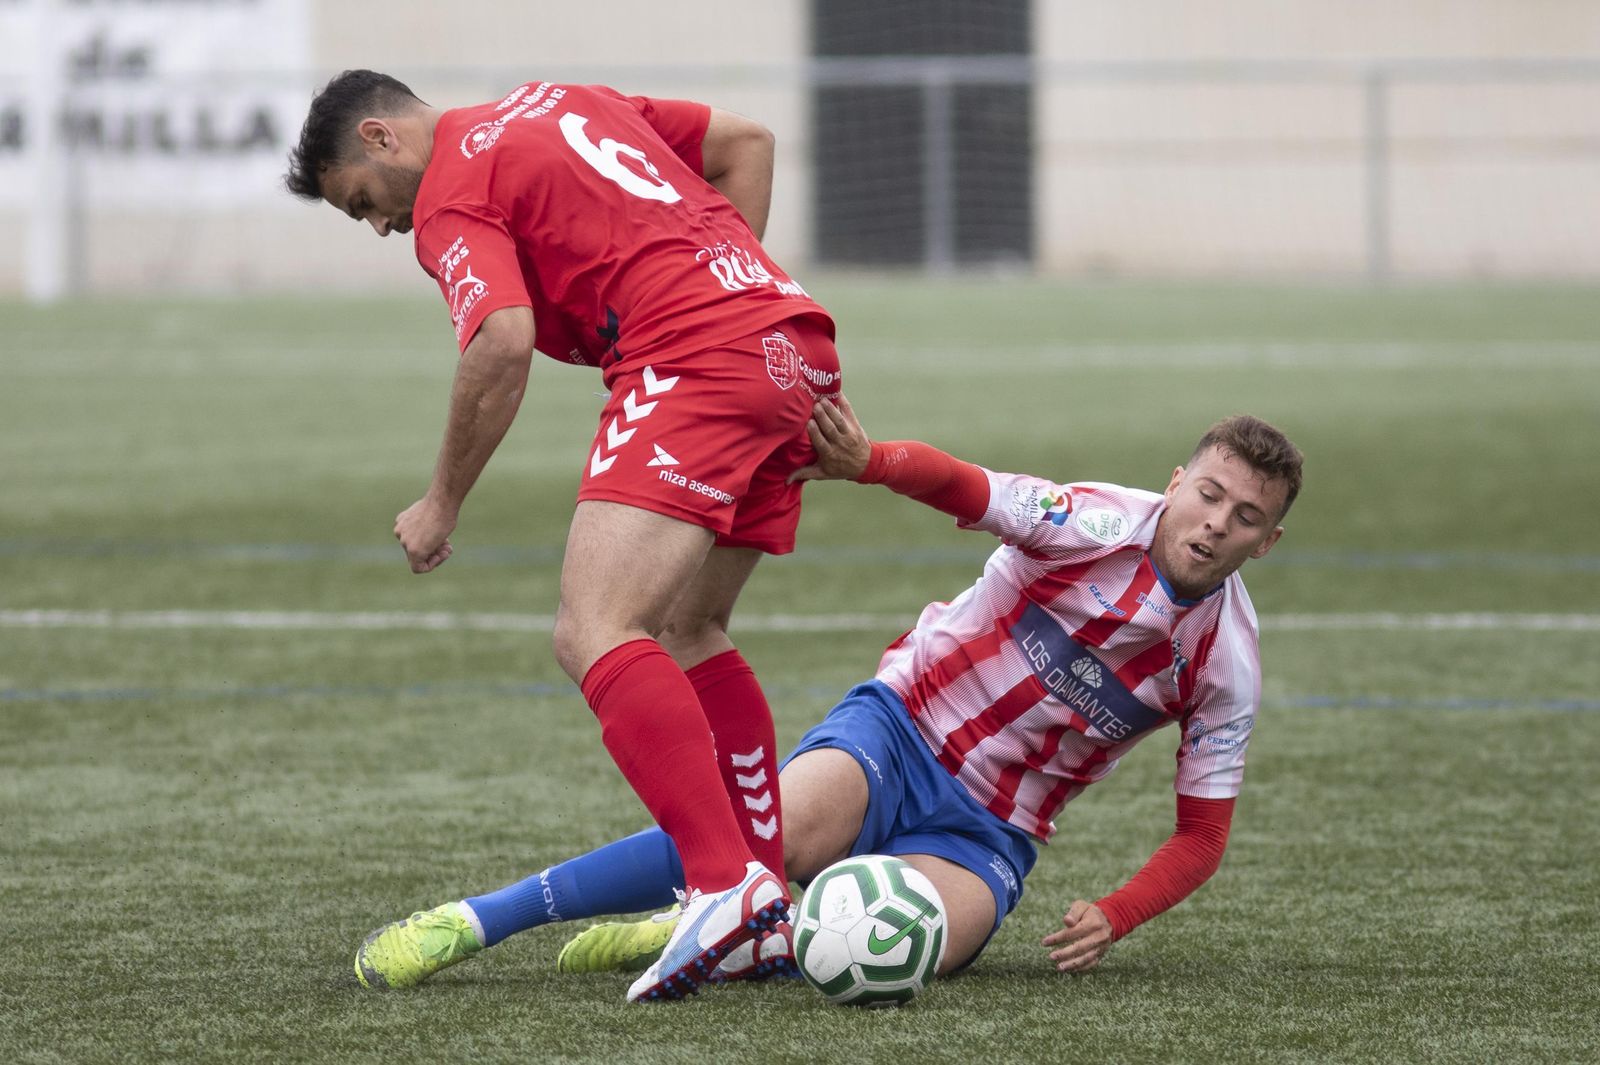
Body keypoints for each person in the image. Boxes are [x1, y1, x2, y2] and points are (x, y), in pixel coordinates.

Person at [346, 399, 1304, 989]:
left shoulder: (1225, 665)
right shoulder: (1092, 520)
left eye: (1246, 517)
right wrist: (868, 459)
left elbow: (1202, 836)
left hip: (990, 834)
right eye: (1210, 493)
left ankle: (729, 926)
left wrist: (1120, 909)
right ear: (1177, 482)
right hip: (900, 728)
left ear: (1267, 542)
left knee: (897, 948)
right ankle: (478, 919)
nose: (1216, 522)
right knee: (778, 835)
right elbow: (968, 487)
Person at [284, 70, 842, 1002]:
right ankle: (760, 900)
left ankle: (726, 884)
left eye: (362, 205)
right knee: (692, 627)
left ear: (380, 140)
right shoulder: (561, 97)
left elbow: (500, 339)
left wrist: (440, 503)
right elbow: (747, 142)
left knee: (594, 628)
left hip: (696, 356)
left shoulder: (448, 191)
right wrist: (736, 300)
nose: (382, 225)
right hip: (792, 344)